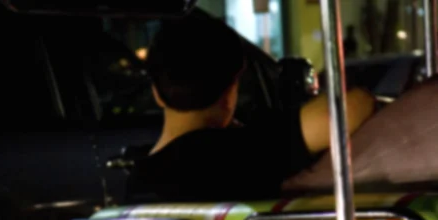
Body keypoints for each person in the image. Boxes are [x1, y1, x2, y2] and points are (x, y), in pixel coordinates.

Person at [125, 16, 375, 204]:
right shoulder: (242, 153)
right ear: (231, 91)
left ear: (157, 93)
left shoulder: (137, 184)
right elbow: (350, 107)